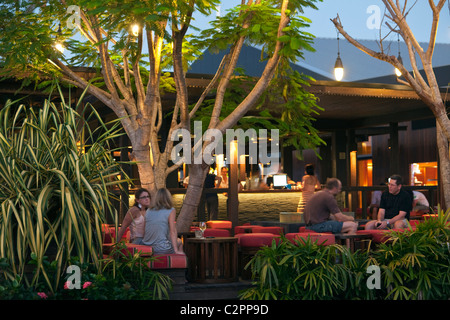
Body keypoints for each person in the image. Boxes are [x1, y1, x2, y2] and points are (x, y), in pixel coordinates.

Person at [141, 188, 183, 254]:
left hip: (147, 247)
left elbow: (144, 230)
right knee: (179, 242)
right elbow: (173, 232)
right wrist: (176, 250)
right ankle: (178, 262)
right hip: (161, 248)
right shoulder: (171, 210)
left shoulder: (148, 210)